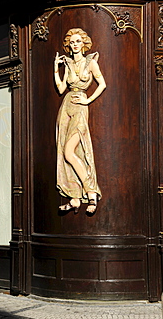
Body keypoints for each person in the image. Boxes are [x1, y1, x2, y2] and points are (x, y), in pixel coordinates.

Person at [54, 28, 106, 215]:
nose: (74, 45)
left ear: (84, 44)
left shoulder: (90, 62)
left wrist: (88, 100)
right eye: (72, 42)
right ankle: (75, 197)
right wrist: (55, 69)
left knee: (72, 151)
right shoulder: (67, 64)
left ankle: (91, 192)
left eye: (78, 41)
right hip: (66, 106)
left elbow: (102, 84)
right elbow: (61, 89)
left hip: (80, 107)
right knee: (66, 151)